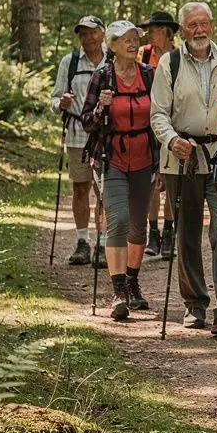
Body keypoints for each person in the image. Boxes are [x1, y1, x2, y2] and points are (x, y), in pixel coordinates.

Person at [150, 0, 217, 335]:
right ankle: (194, 305)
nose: (199, 30)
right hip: (182, 158)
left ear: (213, 25)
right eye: (192, 25)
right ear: (182, 29)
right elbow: (158, 112)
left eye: (204, 23)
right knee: (187, 231)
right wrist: (171, 139)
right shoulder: (170, 63)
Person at [81, 20, 157, 321]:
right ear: (111, 45)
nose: (133, 43)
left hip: (144, 158)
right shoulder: (103, 77)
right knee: (119, 220)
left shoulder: (150, 76)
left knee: (140, 227)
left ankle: (132, 281)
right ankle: (118, 291)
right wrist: (101, 107)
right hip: (109, 157)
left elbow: (161, 116)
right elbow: (87, 122)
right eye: (125, 39)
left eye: (135, 39)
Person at [50, 16, 106, 265]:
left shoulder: (113, 59)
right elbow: (54, 98)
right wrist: (60, 103)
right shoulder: (69, 62)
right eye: (83, 34)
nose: (88, 38)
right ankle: (83, 242)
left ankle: (103, 244)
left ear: (103, 34)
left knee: (104, 190)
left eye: (92, 32)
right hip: (77, 134)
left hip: (107, 134)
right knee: (81, 187)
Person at [137, 10, 179, 260]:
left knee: (171, 180)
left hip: (174, 125)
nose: (149, 33)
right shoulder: (143, 54)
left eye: (152, 29)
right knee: (152, 181)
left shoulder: (178, 56)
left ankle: (169, 233)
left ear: (164, 30)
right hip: (147, 125)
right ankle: (154, 232)